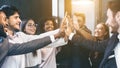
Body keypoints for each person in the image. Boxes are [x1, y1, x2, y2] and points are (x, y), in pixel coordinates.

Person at [0, 5, 66, 68]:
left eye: (19, 17)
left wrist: (59, 32)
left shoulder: (20, 36)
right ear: (5, 19)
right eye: (16, 17)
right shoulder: (2, 40)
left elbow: (38, 38)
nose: (19, 20)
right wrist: (57, 34)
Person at [65, 0, 120, 68]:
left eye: (108, 17)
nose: (107, 22)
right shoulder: (115, 38)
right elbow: (96, 45)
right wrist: (71, 35)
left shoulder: (87, 31)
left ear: (118, 16)